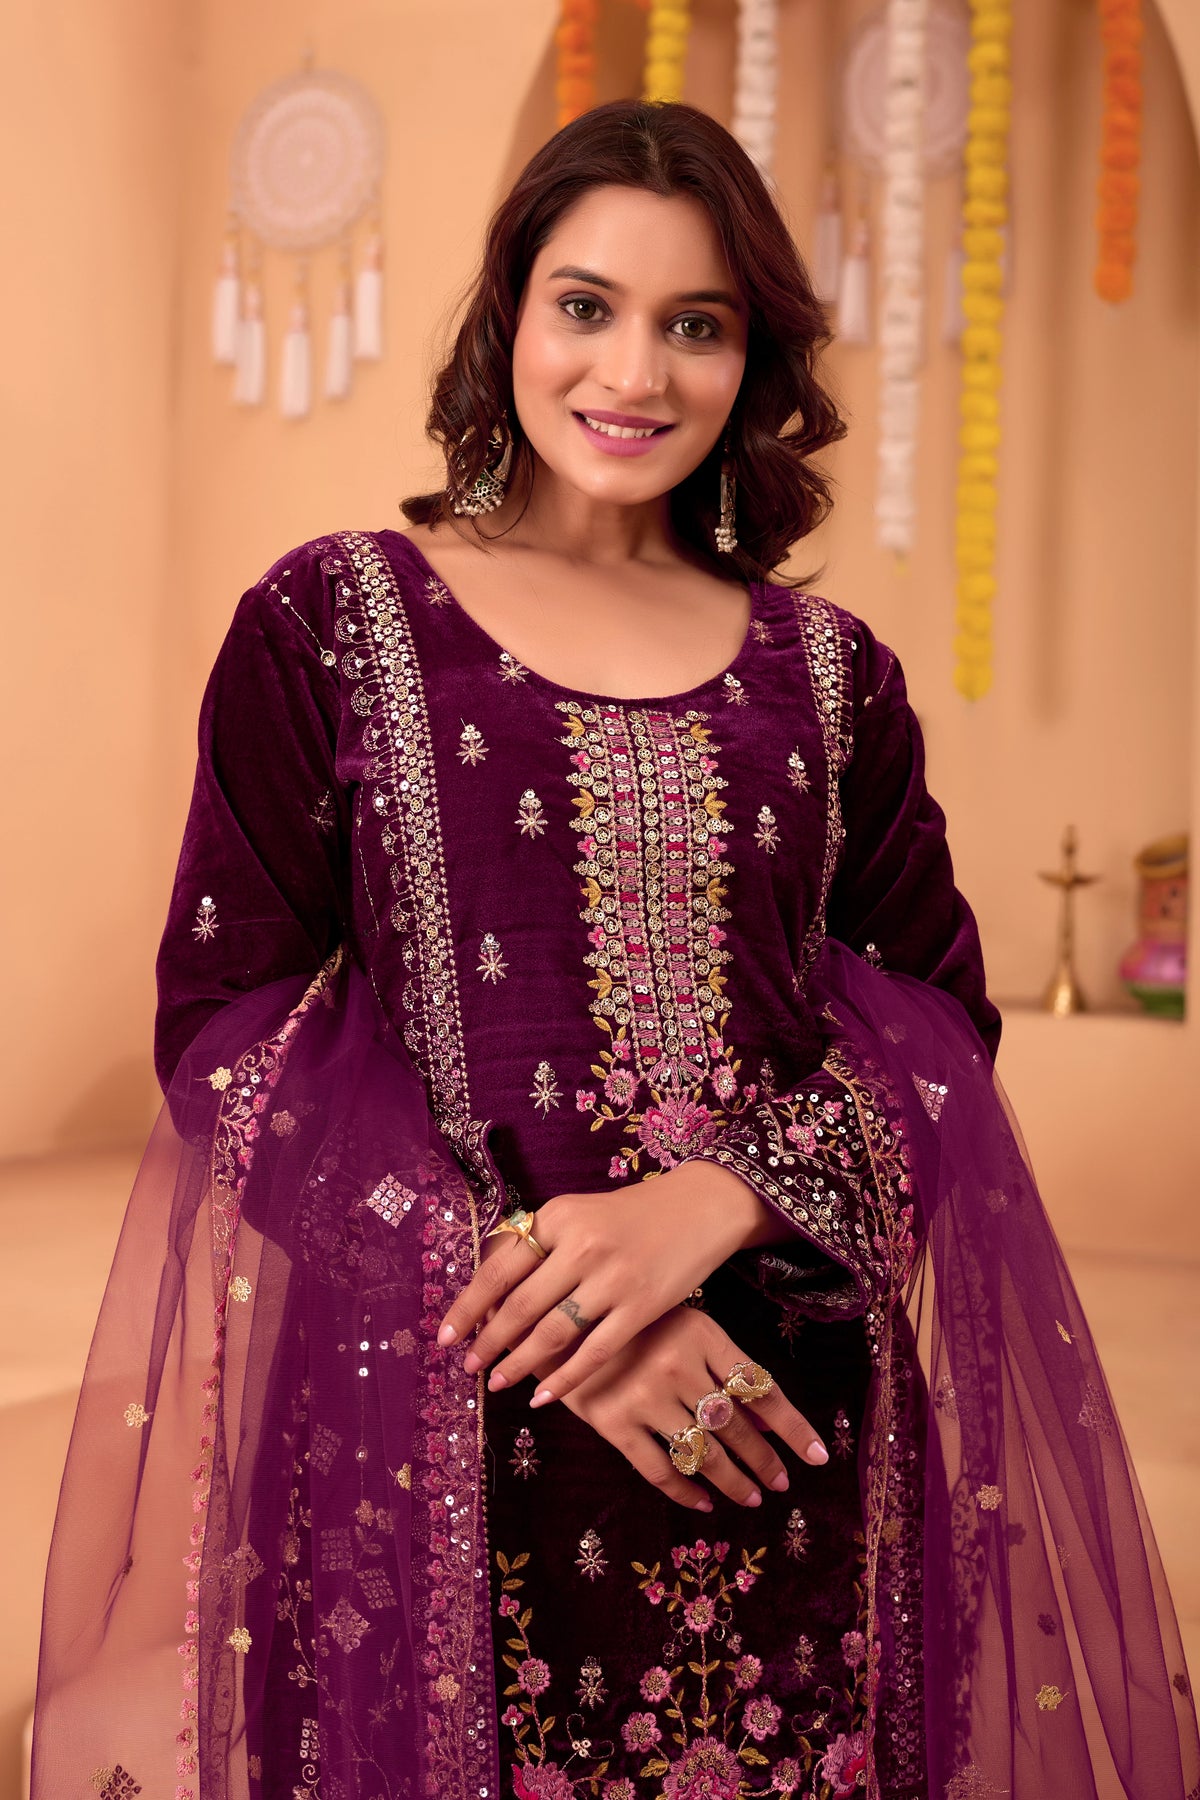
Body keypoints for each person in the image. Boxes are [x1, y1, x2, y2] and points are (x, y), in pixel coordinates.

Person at [32, 101, 1198, 1800]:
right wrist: (570, 1315)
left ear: (754, 359)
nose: (633, 372)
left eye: (696, 325)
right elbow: (229, 1028)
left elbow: (935, 1014)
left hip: (792, 1424)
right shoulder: (331, 623)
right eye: (586, 306)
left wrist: (709, 1206)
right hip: (444, 1417)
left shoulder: (830, 673)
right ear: (508, 315)